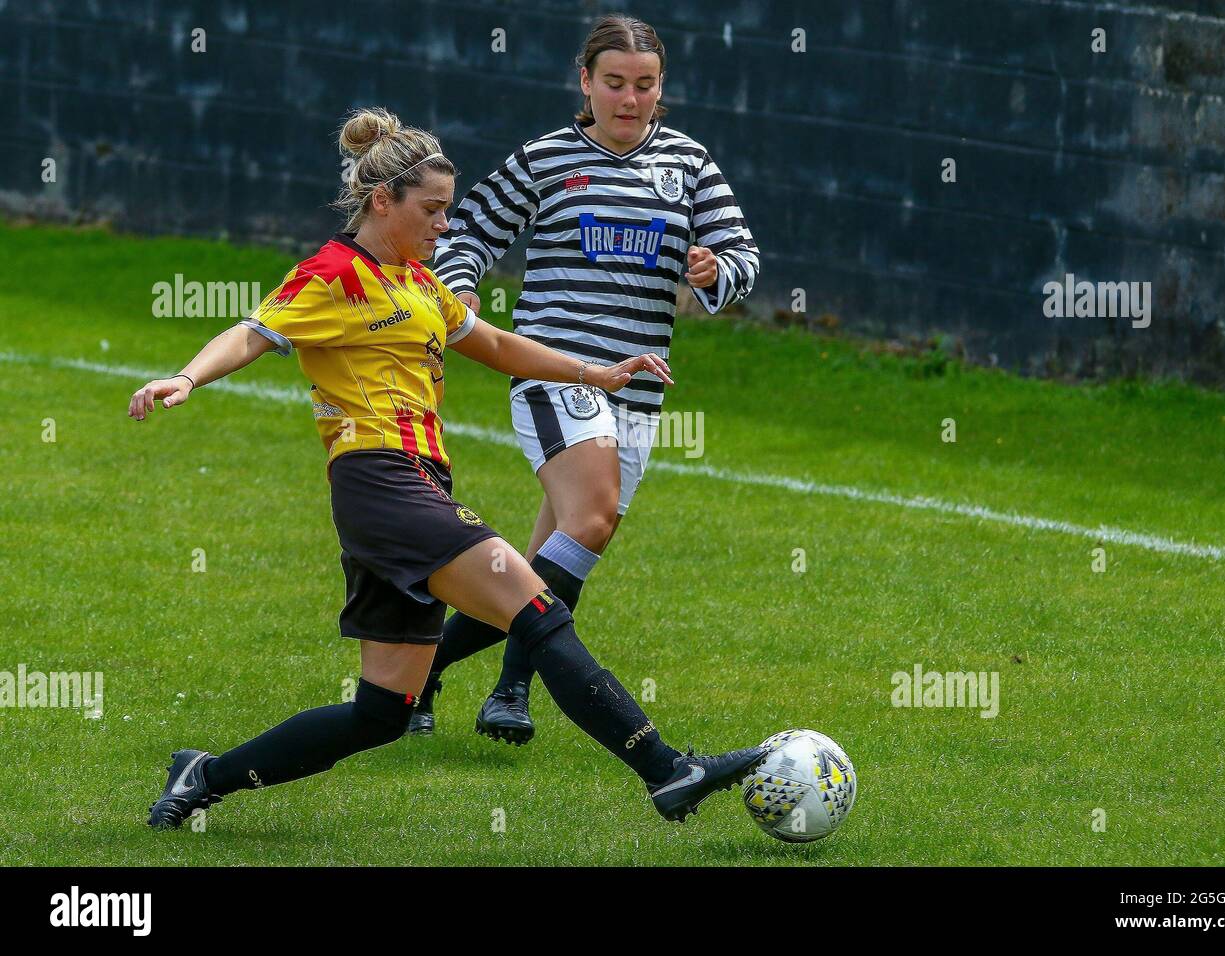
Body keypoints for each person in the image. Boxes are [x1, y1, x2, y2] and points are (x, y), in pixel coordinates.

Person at [131, 107, 765, 829]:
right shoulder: (335, 273)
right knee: (537, 611)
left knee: (382, 712)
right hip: (381, 481)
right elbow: (252, 332)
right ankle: (669, 771)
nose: (443, 226)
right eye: (431, 211)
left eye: (448, 211)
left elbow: (495, 344)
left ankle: (202, 774)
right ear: (383, 201)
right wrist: (185, 378)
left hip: (416, 486)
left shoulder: (418, 282)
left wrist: (595, 372)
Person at [414, 14, 760, 743]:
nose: (629, 100)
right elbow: (468, 229)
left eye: (645, 84)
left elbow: (742, 254)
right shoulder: (547, 159)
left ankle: (454, 680)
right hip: (557, 371)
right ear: (585, 81)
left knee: (557, 550)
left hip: (637, 387)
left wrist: (715, 271)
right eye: (614, 84)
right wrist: (463, 287)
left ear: (660, 86)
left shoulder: (690, 164)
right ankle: (503, 688)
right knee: (594, 515)